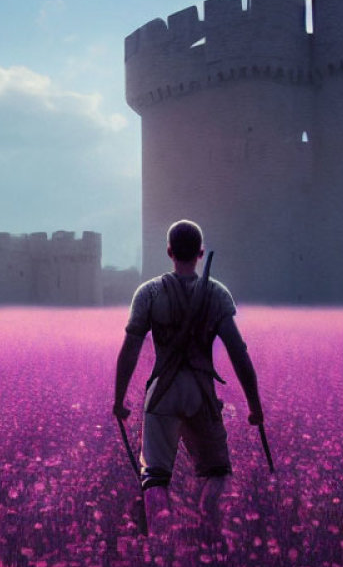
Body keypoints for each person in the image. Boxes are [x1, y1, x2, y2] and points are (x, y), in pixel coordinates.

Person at [113, 220, 264, 538]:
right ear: (199, 252)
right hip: (200, 394)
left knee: (154, 478)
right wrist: (254, 405)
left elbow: (130, 349)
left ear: (169, 252)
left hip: (162, 394)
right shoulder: (217, 294)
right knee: (217, 473)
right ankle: (207, 523)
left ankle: (160, 538)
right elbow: (239, 352)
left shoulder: (149, 293)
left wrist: (119, 400)